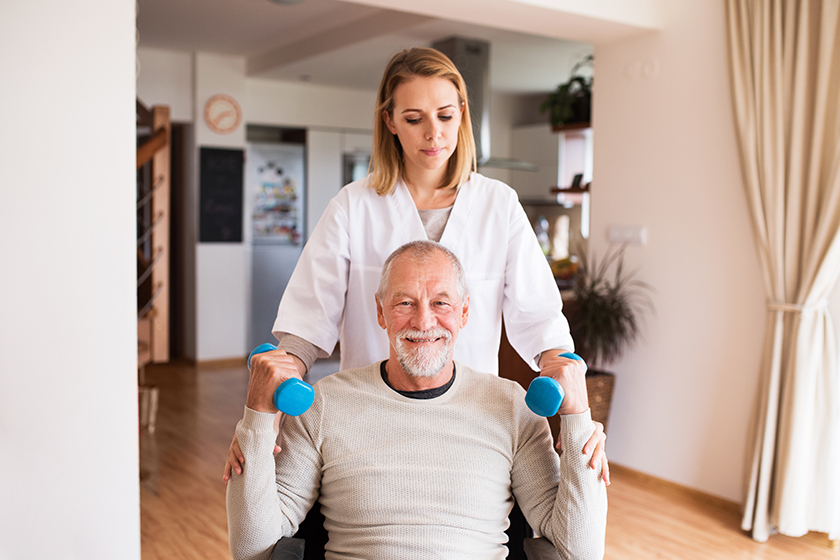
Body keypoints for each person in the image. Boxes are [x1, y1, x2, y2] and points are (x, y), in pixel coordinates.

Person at [224, 47, 610, 483]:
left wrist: (569, 384)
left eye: (445, 116)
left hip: (472, 419)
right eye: (414, 119)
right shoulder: (354, 206)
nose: (433, 134)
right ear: (389, 121)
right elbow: (308, 318)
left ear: (463, 114)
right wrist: (266, 404)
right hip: (368, 417)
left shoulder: (497, 204)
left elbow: (538, 317)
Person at [226, 241, 608, 560]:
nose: (423, 322)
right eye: (405, 303)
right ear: (380, 311)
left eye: (441, 303)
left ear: (464, 312)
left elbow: (580, 551)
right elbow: (252, 548)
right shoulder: (325, 404)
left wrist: (578, 421)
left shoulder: (512, 406)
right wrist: (257, 418)